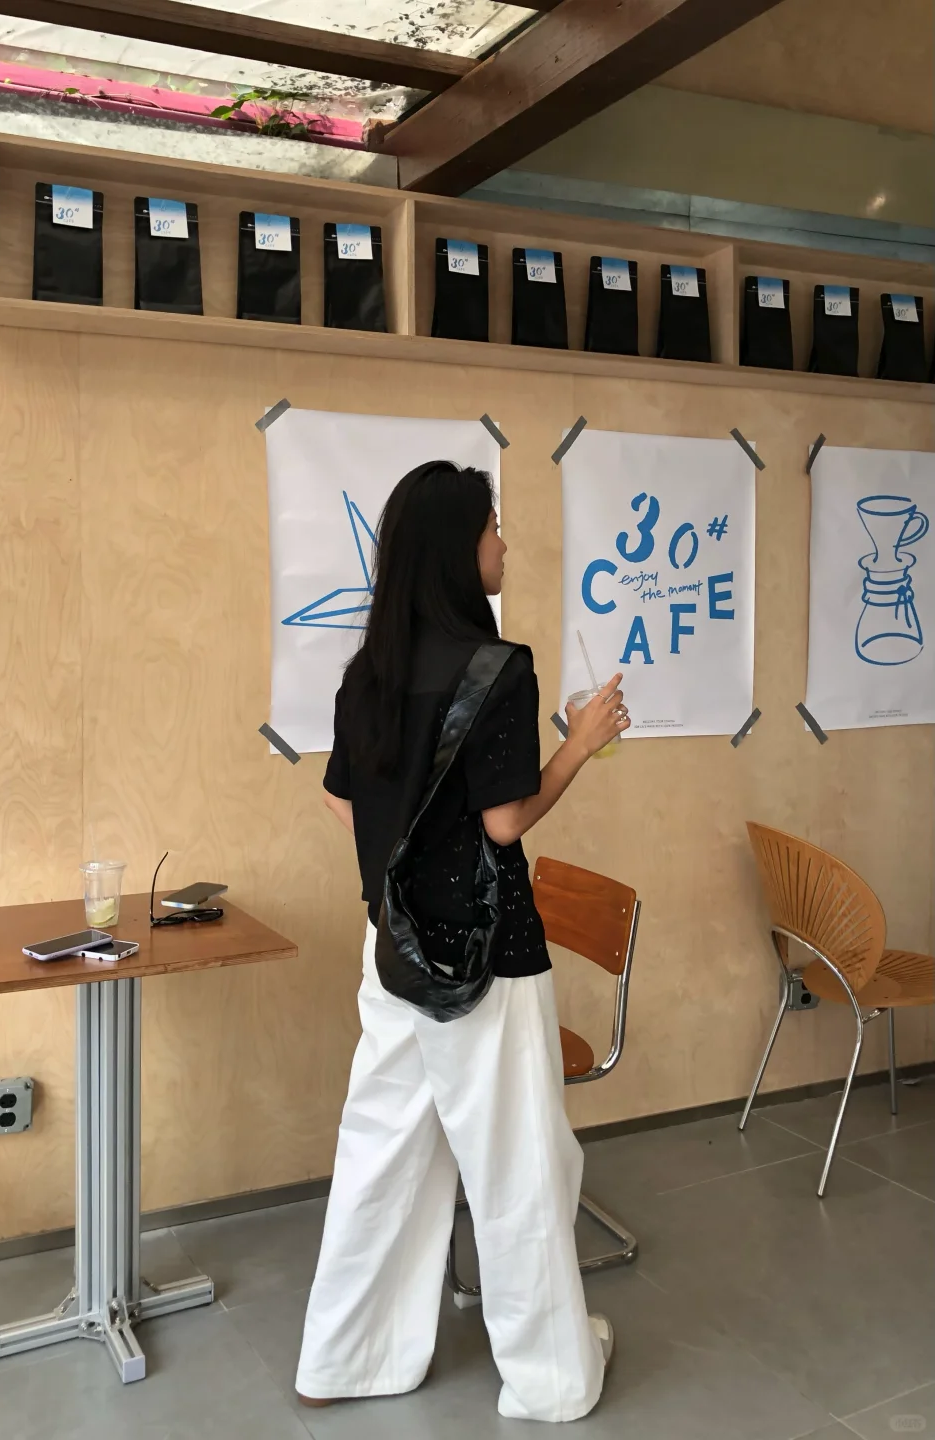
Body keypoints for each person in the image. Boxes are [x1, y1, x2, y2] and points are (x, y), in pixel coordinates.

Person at [295, 460, 630, 1423]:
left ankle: (344, 1359)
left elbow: (340, 799)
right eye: (492, 527)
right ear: (457, 547)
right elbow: (505, 823)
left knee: (381, 1154)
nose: (504, 544)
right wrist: (581, 741)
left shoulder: (368, 673)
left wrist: (404, 869)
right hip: (490, 959)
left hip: (394, 954)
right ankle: (550, 1380)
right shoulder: (498, 668)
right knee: (520, 1165)